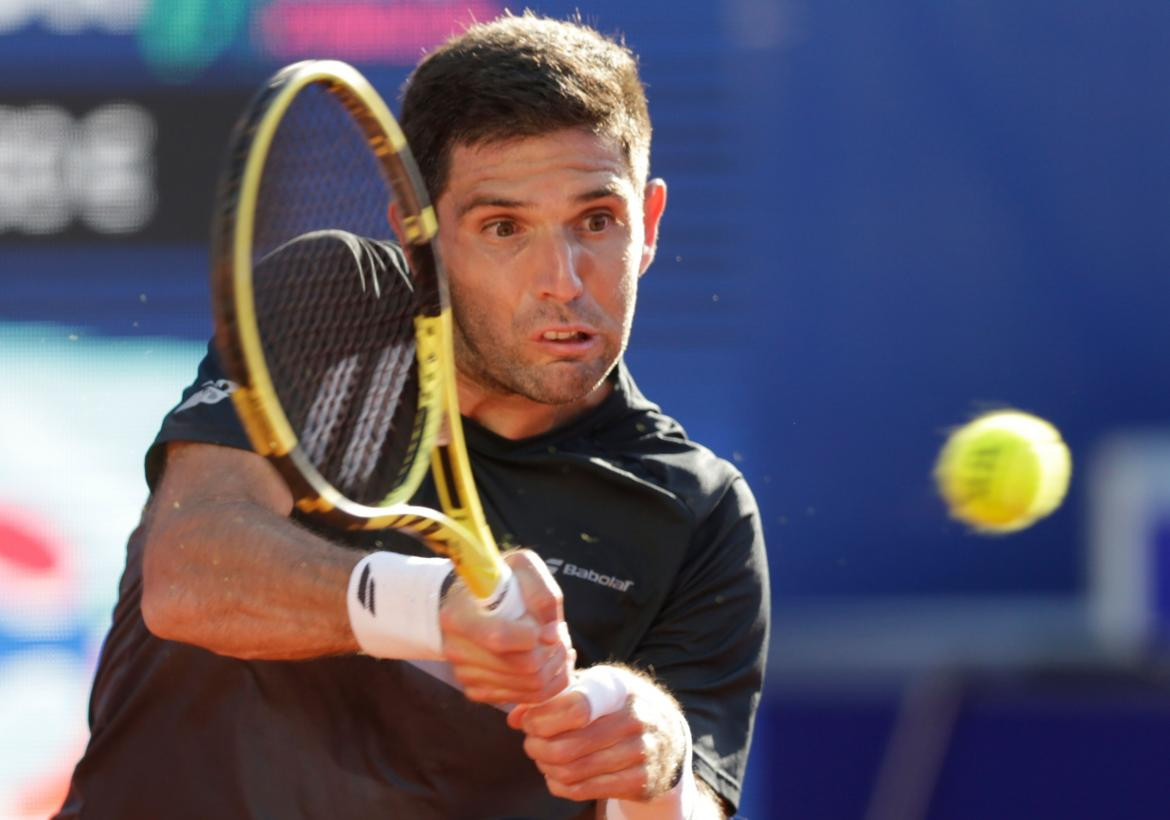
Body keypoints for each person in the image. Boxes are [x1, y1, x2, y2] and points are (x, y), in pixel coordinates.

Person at [57, 12, 769, 819]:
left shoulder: (698, 509)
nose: (563, 280)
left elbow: (689, 799)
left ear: (649, 225)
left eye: (595, 221)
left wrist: (654, 756)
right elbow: (189, 573)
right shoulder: (336, 306)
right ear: (417, 238)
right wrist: (429, 609)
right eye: (504, 227)